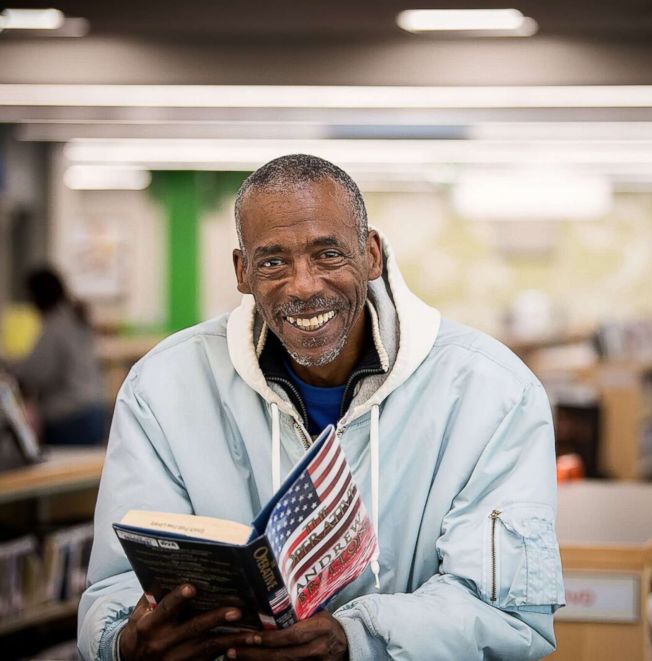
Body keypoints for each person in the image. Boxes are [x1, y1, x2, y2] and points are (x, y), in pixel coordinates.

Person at [78, 154, 565, 660]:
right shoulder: (163, 388)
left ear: (371, 254)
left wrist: (356, 642)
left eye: (328, 255)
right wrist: (123, 644)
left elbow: (507, 616)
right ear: (242, 271)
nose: (304, 286)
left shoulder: (493, 393)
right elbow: (114, 589)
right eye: (272, 262)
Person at [4, 267, 105, 445]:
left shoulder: (55, 326)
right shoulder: (75, 318)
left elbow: (36, 373)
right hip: (93, 409)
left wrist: (10, 367)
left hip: (69, 417)